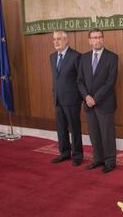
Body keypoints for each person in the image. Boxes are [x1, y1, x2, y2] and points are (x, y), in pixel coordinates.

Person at [77, 28, 118, 173]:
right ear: (89, 41)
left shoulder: (112, 57)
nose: (97, 40)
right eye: (94, 38)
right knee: (94, 134)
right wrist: (87, 97)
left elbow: (110, 82)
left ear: (103, 39)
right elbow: (80, 81)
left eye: (100, 37)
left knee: (107, 134)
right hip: (88, 103)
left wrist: (95, 98)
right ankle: (98, 159)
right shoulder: (84, 58)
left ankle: (110, 161)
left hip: (105, 103)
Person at [49, 30, 83, 166]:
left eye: (59, 39)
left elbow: (80, 79)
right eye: (54, 39)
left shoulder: (76, 56)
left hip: (72, 99)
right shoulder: (52, 57)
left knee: (74, 129)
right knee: (61, 128)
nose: (56, 42)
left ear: (66, 40)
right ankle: (64, 153)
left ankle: (77, 155)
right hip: (58, 99)